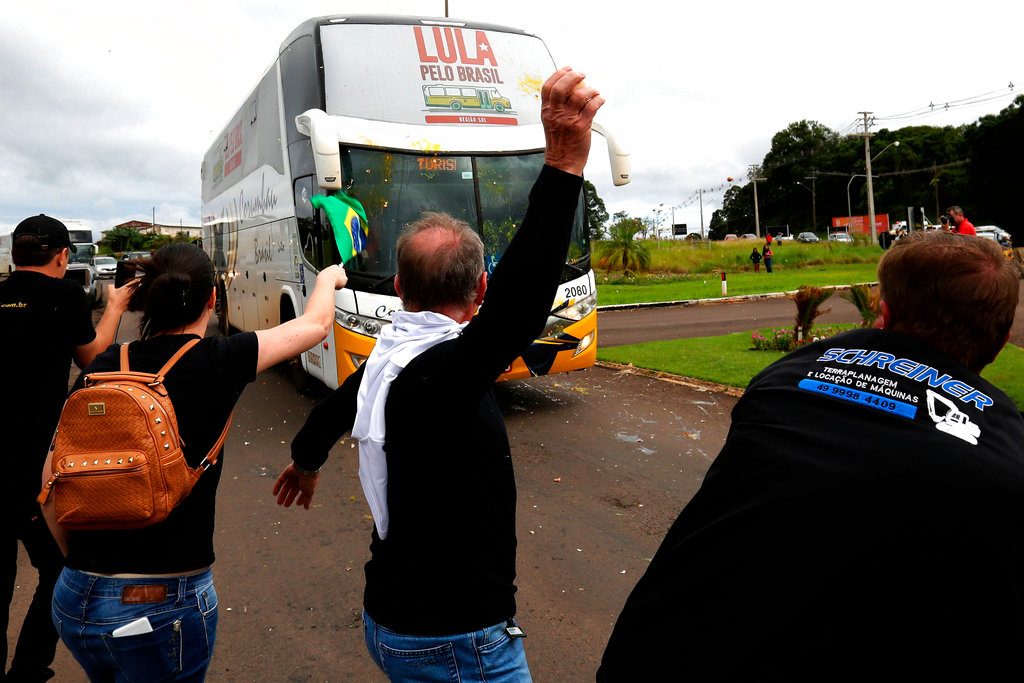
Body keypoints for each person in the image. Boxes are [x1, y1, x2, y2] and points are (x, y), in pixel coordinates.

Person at [273, 67, 602, 682]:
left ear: (398, 289)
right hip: (456, 642)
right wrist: (562, 165)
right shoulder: (442, 374)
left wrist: (306, 461)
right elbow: (521, 306)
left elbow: (334, 410)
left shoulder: (390, 363)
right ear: (480, 289)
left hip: (393, 621)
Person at [598, 231, 1024, 681]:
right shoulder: (1006, 453)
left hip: (657, 651)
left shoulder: (785, 378)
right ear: (999, 343)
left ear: (884, 314)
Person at [41, 243, 347, 682]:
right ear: (212, 300)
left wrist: (86, 566)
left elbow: (51, 479)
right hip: (162, 602)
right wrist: (326, 279)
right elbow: (315, 324)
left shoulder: (104, 367)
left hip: (76, 598)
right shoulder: (217, 360)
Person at [0, 215, 130, 683]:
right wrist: (114, 305)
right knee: (58, 570)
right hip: (37, 470)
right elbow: (93, 357)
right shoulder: (65, 297)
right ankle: (29, 669)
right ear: (61, 255)